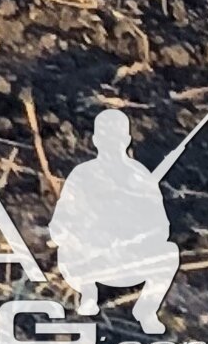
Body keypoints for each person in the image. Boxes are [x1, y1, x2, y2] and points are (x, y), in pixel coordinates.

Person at [49, 107, 182, 332]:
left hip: (129, 260)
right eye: (105, 137)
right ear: (95, 140)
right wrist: (77, 234)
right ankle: (88, 293)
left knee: (169, 253)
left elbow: (161, 228)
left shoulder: (141, 177)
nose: (111, 143)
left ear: (127, 140)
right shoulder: (81, 175)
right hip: (89, 259)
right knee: (65, 250)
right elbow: (60, 223)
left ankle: (146, 310)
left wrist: (134, 236)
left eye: (117, 137)